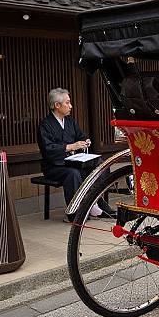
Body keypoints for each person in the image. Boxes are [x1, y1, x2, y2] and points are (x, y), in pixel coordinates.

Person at [37, 88, 103, 221]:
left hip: (73, 161)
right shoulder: (45, 125)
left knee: (99, 164)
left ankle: (95, 202)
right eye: (67, 102)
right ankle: (74, 214)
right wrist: (71, 146)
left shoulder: (70, 121)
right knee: (73, 173)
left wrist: (85, 141)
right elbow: (48, 148)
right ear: (57, 105)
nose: (70, 106)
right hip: (54, 166)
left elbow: (81, 136)